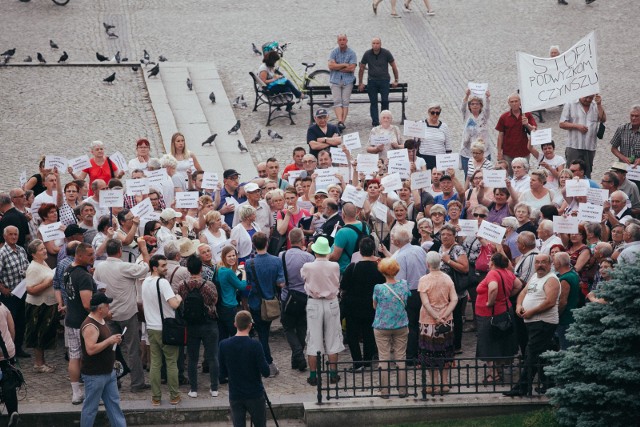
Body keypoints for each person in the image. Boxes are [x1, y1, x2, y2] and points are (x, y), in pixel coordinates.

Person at [94, 238, 150, 393]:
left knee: (111, 349)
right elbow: (146, 267)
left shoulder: (100, 268)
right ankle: (137, 383)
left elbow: (98, 288)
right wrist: (143, 248)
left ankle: (114, 380)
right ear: (120, 251)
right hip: (127, 313)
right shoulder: (125, 266)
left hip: (109, 314)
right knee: (133, 349)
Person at [505, 254, 560, 397]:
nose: (540, 265)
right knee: (541, 354)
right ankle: (548, 385)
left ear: (550, 264)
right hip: (532, 322)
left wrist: (531, 312)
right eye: (537, 262)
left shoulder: (551, 279)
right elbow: (523, 292)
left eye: (543, 262)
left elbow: (550, 302)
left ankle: (522, 387)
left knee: (531, 354)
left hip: (543, 323)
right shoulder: (535, 277)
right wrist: (518, 305)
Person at [141, 254, 183, 406]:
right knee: (171, 363)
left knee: (155, 364)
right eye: (163, 266)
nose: (166, 268)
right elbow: (173, 304)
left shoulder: (145, 282)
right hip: (166, 327)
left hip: (151, 327)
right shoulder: (163, 282)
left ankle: (156, 397)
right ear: (154, 267)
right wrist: (179, 297)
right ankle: (174, 396)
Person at [301, 237, 344, 386]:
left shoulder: (307, 266)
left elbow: (303, 278)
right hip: (331, 302)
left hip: (314, 302)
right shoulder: (335, 266)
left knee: (314, 339)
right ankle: (333, 373)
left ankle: (314, 375)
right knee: (333, 339)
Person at [79, 293, 126, 427]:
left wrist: (113, 340)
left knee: (114, 405)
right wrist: (109, 341)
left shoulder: (102, 320)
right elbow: (91, 349)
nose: (109, 307)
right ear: (100, 309)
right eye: (107, 305)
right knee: (90, 408)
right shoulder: (90, 326)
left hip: (108, 371)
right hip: (95, 374)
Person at [178, 255, 220, 399]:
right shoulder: (209, 285)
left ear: (188, 269)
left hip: (191, 324)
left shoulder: (182, 285)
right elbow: (215, 300)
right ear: (201, 269)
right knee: (213, 356)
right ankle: (214, 387)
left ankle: (194, 389)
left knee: (192, 358)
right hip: (209, 323)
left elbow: (181, 301)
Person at [219, 310, 270, 427]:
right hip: (255, 393)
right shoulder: (255, 345)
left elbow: (222, 374)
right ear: (250, 325)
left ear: (235, 324)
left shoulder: (223, 345)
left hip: (236, 394)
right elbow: (266, 372)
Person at [475, 253, 520, 384]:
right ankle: (498, 370)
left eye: (490, 261)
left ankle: (493, 374)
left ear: (493, 262)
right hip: (504, 311)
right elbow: (518, 285)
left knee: (488, 342)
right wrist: (506, 296)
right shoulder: (507, 272)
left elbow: (493, 287)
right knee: (500, 341)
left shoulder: (492, 273)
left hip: (489, 314)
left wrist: (490, 301)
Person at [417, 252, 457, 395]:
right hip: (447, 321)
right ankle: (444, 383)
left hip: (428, 322)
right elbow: (454, 299)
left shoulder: (424, 280)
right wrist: (444, 315)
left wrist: (436, 316)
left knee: (430, 352)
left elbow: (426, 303)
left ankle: (433, 383)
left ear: (427, 264)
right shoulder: (447, 278)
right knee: (445, 351)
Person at [341, 237, 383, 371]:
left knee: (353, 335)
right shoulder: (379, 268)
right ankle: (368, 361)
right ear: (373, 250)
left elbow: (344, 286)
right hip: (371, 305)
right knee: (369, 334)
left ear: (360, 250)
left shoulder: (352, 267)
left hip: (353, 306)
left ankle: (358, 362)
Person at [246, 232, 284, 377]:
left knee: (262, 335)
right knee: (264, 335)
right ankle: (267, 363)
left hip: (255, 303)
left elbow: (248, 283)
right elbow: (281, 283)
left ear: (254, 245)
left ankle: (266, 363)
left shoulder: (250, 263)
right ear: (267, 243)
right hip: (270, 302)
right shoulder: (276, 261)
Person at [63, 243, 97, 404]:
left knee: (74, 357)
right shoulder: (83, 276)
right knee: (89, 357)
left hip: (71, 319)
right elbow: (87, 304)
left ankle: (76, 393)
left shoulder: (69, 269)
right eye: (90, 254)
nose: (93, 257)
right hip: (84, 323)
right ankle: (92, 394)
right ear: (79, 255)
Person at [372, 257, 410, 398]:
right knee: (401, 357)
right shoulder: (404, 285)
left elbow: (375, 305)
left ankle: (385, 390)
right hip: (401, 324)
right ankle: (402, 390)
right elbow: (406, 299)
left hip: (382, 326)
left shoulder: (379, 288)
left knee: (384, 357)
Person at [280, 229, 315, 371]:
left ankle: (298, 356)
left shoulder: (282, 255)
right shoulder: (309, 258)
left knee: (288, 327)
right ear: (302, 241)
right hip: (304, 296)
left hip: (287, 296)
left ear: (289, 240)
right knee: (302, 326)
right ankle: (298, 356)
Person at [24, 239, 58, 373]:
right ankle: (38, 363)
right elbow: (30, 289)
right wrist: (48, 283)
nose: (45, 251)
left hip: (47, 303)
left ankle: (43, 362)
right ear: (33, 254)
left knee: (44, 333)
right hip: (37, 306)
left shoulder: (43, 262)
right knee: (38, 333)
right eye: (41, 249)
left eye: (44, 248)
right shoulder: (33, 268)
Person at [438, 224, 469, 354]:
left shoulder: (458, 249)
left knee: (456, 318)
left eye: (448, 234)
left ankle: (456, 346)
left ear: (454, 236)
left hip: (456, 291)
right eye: (443, 234)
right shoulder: (440, 247)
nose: (445, 237)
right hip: (442, 291)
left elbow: (465, 268)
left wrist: (448, 261)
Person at [559, 94, 606, 178]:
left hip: (589, 147)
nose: (588, 100)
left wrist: (599, 105)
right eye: (586, 97)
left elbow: (603, 119)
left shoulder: (595, 105)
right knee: (571, 173)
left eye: (591, 98)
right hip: (574, 146)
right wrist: (577, 126)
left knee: (587, 173)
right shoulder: (570, 104)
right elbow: (562, 124)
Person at [0, 226, 30, 359]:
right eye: (10, 234)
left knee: (21, 322)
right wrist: (2, 288)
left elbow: (28, 267)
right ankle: (10, 350)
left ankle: (18, 348)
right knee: (10, 323)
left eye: (15, 234)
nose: (13, 237)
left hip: (22, 292)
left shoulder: (21, 250)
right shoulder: (2, 253)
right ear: (5, 236)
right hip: (9, 295)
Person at [357, 37, 399, 127]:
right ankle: (375, 122)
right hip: (372, 81)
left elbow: (394, 66)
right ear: (371, 44)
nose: (375, 45)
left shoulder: (386, 53)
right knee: (373, 102)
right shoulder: (367, 54)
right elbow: (361, 68)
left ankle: (385, 120)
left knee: (385, 101)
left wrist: (396, 80)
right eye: (374, 43)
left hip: (384, 80)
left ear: (380, 44)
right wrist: (360, 82)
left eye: (377, 43)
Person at [495, 93, 537, 164]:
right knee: (509, 173)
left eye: (516, 101)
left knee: (523, 173)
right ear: (508, 103)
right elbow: (500, 135)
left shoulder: (527, 115)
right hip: (508, 153)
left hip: (523, 151)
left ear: (520, 102)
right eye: (512, 102)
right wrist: (499, 152)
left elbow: (534, 131)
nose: (514, 103)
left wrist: (527, 124)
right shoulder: (504, 117)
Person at [329, 202, 370, 274]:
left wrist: (323, 255)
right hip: (361, 267)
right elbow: (355, 234)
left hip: (346, 271)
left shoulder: (342, 232)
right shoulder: (364, 226)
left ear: (343, 215)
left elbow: (335, 257)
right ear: (356, 213)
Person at [328, 34, 357, 130]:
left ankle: (342, 123)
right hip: (335, 80)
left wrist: (337, 66)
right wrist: (344, 65)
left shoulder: (352, 53)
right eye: (340, 40)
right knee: (337, 102)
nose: (342, 41)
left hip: (347, 81)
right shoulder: (333, 52)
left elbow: (352, 68)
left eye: (343, 39)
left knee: (345, 102)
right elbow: (331, 66)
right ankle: (340, 121)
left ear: (346, 41)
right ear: (337, 41)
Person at [460, 90, 491, 175]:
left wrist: (487, 98)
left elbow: (487, 108)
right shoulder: (467, 115)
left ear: (481, 106)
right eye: (472, 104)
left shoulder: (484, 115)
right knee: (468, 175)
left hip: (483, 150)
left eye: (477, 104)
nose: (475, 106)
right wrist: (466, 96)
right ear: (469, 106)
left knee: (484, 175)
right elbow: (462, 107)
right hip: (468, 152)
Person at [553, 252, 580, 350]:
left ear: (559, 263)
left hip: (566, 318)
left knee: (566, 347)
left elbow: (563, 301)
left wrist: (556, 315)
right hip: (571, 315)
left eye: (554, 262)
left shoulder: (565, 278)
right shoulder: (573, 274)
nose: (553, 264)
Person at [0, 300, 20, 427]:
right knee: (8, 382)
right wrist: (9, 346)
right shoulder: (3, 306)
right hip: (6, 350)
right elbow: (12, 328)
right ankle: (13, 412)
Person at [417, 103, 451, 170]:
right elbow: (415, 143)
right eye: (433, 113)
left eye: (437, 113)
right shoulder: (420, 124)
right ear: (428, 112)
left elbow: (448, 146)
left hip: (440, 159)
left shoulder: (444, 126)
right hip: (424, 158)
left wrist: (448, 162)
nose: (435, 115)